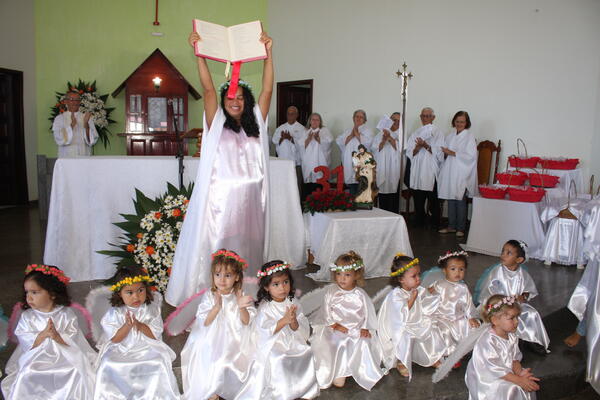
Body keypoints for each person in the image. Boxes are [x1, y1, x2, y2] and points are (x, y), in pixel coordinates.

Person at [165, 30, 274, 306]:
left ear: (246, 102)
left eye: (239, 98)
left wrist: (268, 54)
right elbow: (209, 89)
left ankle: (246, 292)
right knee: (220, 245)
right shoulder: (216, 124)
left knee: (250, 245)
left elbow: (268, 89)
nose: (235, 102)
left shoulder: (258, 123)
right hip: (221, 202)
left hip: (252, 200)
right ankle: (215, 292)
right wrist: (199, 54)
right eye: (230, 99)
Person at [2, 264, 96, 399]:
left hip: (64, 353)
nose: (29, 297)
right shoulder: (28, 317)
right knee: (29, 372)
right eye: (27, 292)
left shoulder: (65, 314)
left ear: (52, 294)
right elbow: (25, 340)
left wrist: (57, 336)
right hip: (36, 355)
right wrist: (42, 335)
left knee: (74, 370)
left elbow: (74, 338)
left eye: (34, 292)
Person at [236, 261, 319, 400]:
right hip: (273, 343)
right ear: (266, 287)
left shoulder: (292, 301)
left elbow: (301, 325)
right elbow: (263, 331)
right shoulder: (266, 306)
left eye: (285, 282)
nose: (282, 287)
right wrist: (283, 321)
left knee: (305, 352)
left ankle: (303, 389)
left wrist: (293, 322)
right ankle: (283, 393)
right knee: (279, 358)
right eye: (276, 284)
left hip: (292, 338)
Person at [94, 266, 180, 399]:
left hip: (146, 346)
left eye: (140, 290)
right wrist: (127, 326)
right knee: (108, 363)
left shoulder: (151, 310)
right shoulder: (115, 312)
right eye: (129, 292)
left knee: (158, 362)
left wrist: (139, 325)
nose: (136, 296)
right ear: (119, 294)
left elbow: (154, 335)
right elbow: (115, 339)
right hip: (121, 348)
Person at [181, 249, 255, 400]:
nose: (222, 280)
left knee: (233, 356)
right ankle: (212, 390)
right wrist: (216, 307)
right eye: (217, 274)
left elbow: (246, 321)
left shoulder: (239, 294)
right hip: (211, 335)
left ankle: (230, 388)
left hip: (236, 335)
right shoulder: (210, 295)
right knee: (210, 356)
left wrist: (241, 306)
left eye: (227, 275)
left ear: (236, 277)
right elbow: (205, 322)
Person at [310, 251, 384, 390]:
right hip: (335, 327)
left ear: (356, 275)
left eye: (347, 275)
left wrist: (365, 327)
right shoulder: (332, 292)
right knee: (339, 342)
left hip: (356, 327)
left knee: (363, 342)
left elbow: (368, 313)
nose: (342, 279)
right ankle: (339, 372)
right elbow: (326, 312)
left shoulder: (360, 295)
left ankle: (359, 369)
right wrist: (334, 325)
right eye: (339, 274)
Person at [377, 254, 446, 379]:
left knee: (431, 328)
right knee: (406, 337)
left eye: (419, 274)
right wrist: (412, 299)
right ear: (401, 279)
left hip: (417, 322)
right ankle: (401, 362)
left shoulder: (418, 289)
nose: (418, 278)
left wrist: (432, 294)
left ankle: (431, 357)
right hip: (403, 326)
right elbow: (400, 313)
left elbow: (426, 299)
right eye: (414, 276)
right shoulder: (396, 295)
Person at [476, 240, 550, 354]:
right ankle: (512, 342)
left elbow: (528, 290)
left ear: (519, 260)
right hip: (498, 305)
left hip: (515, 305)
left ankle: (532, 339)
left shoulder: (522, 274)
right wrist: (501, 302)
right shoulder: (497, 272)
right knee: (507, 316)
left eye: (508, 253)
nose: (503, 255)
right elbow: (490, 292)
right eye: (503, 251)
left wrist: (523, 297)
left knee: (531, 314)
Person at [465, 295, 540, 399]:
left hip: (505, 370)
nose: (517, 321)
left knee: (526, 383)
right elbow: (494, 369)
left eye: (517, 317)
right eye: (512, 318)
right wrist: (519, 380)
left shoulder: (512, 336)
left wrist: (520, 373)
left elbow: (514, 360)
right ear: (495, 320)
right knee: (513, 389)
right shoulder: (488, 341)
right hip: (487, 376)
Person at [429, 251, 480, 361]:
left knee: (471, 328)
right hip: (442, 318)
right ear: (444, 270)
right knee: (444, 332)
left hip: (458, 318)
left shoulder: (463, 287)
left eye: (461, 269)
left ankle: (461, 350)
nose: (458, 272)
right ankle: (448, 355)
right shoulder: (439, 285)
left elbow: (468, 303)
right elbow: (430, 299)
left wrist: (471, 317)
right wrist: (429, 293)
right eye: (453, 269)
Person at [437, 111, 477, 237]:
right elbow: (443, 152)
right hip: (449, 170)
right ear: (454, 121)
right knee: (450, 197)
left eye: (462, 122)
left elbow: (471, 156)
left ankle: (461, 227)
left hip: (461, 172)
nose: (459, 124)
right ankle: (451, 226)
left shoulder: (469, 136)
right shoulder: (450, 135)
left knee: (460, 198)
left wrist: (452, 153)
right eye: (457, 121)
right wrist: (443, 152)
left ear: (466, 123)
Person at [405, 107, 445, 227]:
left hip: (431, 170)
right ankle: (419, 221)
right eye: (423, 116)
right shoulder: (415, 133)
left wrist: (426, 145)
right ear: (420, 117)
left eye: (428, 116)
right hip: (418, 169)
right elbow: (409, 152)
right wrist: (418, 147)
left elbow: (440, 152)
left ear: (433, 117)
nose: (425, 118)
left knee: (433, 199)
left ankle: (435, 223)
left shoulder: (438, 132)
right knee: (418, 198)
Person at [336, 110, 374, 195]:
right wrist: (350, 136)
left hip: (362, 165)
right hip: (350, 164)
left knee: (362, 190)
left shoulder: (368, 131)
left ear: (365, 120)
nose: (358, 118)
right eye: (357, 116)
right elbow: (339, 142)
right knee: (352, 189)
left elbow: (369, 144)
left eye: (361, 117)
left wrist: (357, 134)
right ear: (353, 118)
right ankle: (353, 206)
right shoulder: (347, 131)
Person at [52, 91, 98, 157]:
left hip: (84, 156)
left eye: (77, 100)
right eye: (71, 100)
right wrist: (71, 125)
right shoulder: (59, 118)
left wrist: (86, 125)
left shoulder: (86, 117)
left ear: (80, 102)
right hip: (67, 156)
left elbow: (92, 140)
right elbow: (58, 138)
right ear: (66, 101)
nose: (75, 102)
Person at [298, 112, 333, 198]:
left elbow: (329, 142)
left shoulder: (324, 131)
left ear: (320, 122)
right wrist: (308, 139)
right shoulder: (305, 132)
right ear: (310, 121)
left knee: (319, 186)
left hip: (320, 162)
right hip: (308, 163)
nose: (315, 121)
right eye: (313, 119)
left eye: (317, 120)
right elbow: (301, 146)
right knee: (309, 188)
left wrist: (318, 139)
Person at [373, 112, 401, 212]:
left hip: (395, 169)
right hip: (383, 167)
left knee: (394, 195)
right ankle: (383, 215)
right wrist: (383, 140)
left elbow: (402, 150)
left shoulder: (401, 134)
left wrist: (389, 138)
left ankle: (394, 217)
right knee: (383, 193)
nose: (396, 122)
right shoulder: (380, 134)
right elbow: (375, 149)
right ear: (389, 120)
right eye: (394, 120)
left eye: (399, 120)